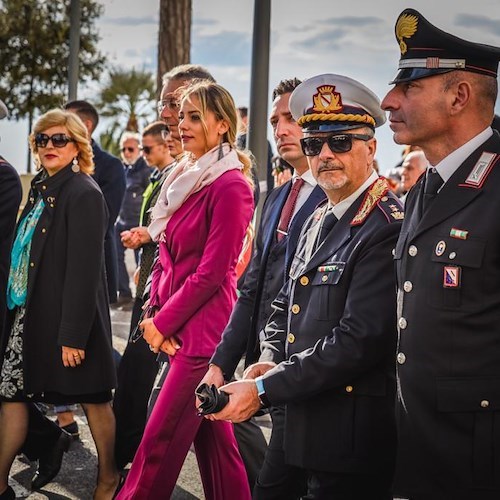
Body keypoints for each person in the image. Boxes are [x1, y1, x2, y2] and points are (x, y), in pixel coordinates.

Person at [209, 73, 403, 500]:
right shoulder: (317, 216)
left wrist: (263, 387)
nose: (326, 155)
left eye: (341, 142)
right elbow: (285, 302)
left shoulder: (386, 224)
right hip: (296, 412)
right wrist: (269, 355)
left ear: (372, 148)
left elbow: (359, 340)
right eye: (315, 144)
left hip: (349, 432)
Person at [381, 9, 500, 500]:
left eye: (410, 86)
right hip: (418, 447)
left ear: (459, 95)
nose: (388, 100)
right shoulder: (425, 186)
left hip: (480, 459)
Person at [116, 81, 254, 500]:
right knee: (214, 445)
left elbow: (214, 273)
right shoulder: (185, 176)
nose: (182, 124)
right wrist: (154, 317)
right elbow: (166, 257)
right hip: (177, 326)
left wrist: (162, 322)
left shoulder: (232, 186)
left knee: (158, 445)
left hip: (204, 334)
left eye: (195, 116)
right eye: (183, 116)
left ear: (222, 125)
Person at [201, 77, 326, 497]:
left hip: (308, 371)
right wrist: (223, 360)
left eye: (293, 118)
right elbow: (251, 286)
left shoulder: (337, 197)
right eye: (275, 120)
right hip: (263, 361)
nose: (281, 129)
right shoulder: (275, 196)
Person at [0, 109, 120, 500]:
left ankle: (108, 477)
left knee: (94, 398)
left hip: (71, 320)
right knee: (12, 395)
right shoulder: (41, 187)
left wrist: (72, 335)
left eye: (59, 139)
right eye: (42, 140)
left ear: (77, 145)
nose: (49, 146)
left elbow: (85, 272)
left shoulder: (83, 191)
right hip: (30, 314)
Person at [113, 121, 176, 470]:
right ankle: (125, 458)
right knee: (132, 379)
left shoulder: (178, 176)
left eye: (147, 149)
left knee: (144, 381)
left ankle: (131, 461)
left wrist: (146, 239)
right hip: (149, 281)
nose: (144, 154)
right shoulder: (158, 177)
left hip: (163, 292)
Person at [64, 100, 126, 305]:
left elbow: (104, 220)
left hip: (94, 268)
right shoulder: (57, 162)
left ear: (87, 125)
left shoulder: (111, 166)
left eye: (68, 120)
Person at [114, 132, 150, 309]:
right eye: (124, 149)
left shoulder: (146, 170)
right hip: (121, 222)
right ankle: (124, 293)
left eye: (131, 149)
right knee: (115, 258)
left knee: (140, 262)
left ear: (139, 150)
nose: (127, 153)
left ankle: (140, 296)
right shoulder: (121, 169)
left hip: (138, 225)